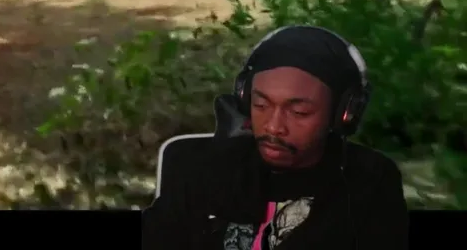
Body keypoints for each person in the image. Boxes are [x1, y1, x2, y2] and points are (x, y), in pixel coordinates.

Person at [143, 25, 408, 250]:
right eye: (260, 105)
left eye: (299, 112)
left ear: (343, 113)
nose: (273, 127)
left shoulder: (370, 182)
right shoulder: (204, 169)